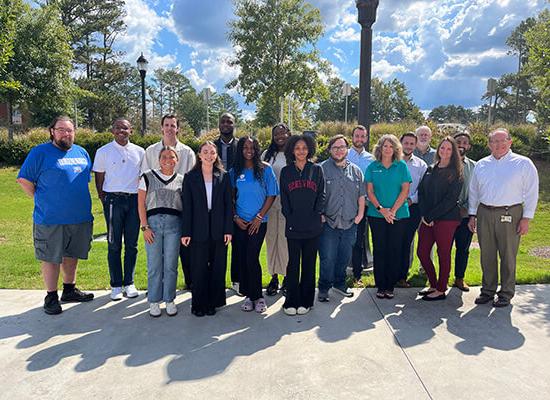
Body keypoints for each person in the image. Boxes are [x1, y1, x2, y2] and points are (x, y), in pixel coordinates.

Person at [17, 116, 94, 315]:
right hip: (50, 218)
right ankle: (51, 295)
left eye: (70, 130)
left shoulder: (81, 152)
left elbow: (83, 181)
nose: (66, 134)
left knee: (72, 254)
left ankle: (69, 289)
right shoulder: (40, 153)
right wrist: (41, 198)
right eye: (61, 130)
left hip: (79, 217)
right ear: (52, 131)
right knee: (51, 256)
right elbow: (24, 179)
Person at [468, 128, 539, 307]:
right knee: (487, 254)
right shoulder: (482, 164)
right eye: (494, 141)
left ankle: (506, 293)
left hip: (511, 212)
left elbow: (532, 192)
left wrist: (526, 218)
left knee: (508, 254)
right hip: (484, 212)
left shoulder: (523, 163)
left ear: (510, 142)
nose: (498, 145)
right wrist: (472, 214)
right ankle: (488, 290)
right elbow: (474, 191)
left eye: (502, 141)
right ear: (489, 144)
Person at [93, 118, 144, 301]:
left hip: (133, 200)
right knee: (114, 243)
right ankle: (116, 285)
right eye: (118, 128)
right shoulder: (103, 151)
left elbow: (142, 177)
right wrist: (103, 197)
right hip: (113, 200)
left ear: (131, 130)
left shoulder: (139, 152)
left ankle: (129, 282)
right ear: (112, 130)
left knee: (132, 244)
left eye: (125, 128)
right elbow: (99, 177)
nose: (122, 131)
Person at [141, 114, 195, 290]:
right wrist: (145, 223)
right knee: (157, 258)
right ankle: (157, 293)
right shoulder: (150, 151)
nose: (170, 128)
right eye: (167, 125)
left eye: (173, 125)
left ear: (178, 128)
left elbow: (192, 181)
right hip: (156, 210)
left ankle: (189, 283)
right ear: (161, 127)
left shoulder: (187, 152)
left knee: (182, 253)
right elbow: (146, 182)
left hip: (179, 209)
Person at [181, 142, 233, 317]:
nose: (209, 155)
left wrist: (228, 230)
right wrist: (186, 232)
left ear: (216, 155)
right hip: (197, 229)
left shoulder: (224, 176)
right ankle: (198, 304)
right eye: (205, 152)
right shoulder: (190, 177)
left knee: (218, 267)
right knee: (199, 267)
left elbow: (228, 205)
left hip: (219, 228)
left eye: (212, 152)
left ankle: (213, 302)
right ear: (199, 155)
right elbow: (187, 207)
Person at [230, 136, 278, 313]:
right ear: (240, 150)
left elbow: (271, 194)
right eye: (245, 147)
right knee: (243, 258)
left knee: (252, 257)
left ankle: (258, 297)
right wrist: (235, 217)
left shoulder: (265, 169)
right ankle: (249, 295)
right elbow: (230, 197)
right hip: (240, 222)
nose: (248, 150)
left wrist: (259, 217)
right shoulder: (234, 171)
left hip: (258, 222)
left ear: (257, 149)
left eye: (252, 147)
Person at [280, 135, 325, 315]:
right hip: (293, 226)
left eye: (304, 148)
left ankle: (306, 301)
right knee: (293, 265)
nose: (301, 151)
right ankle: (291, 300)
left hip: (312, 226)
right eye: (297, 148)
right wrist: (290, 217)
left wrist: (316, 215)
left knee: (309, 264)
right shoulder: (286, 171)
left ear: (309, 150)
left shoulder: (316, 170)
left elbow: (321, 195)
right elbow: (284, 199)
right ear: (292, 150)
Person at [318, 135, 365, 302]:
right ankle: (324, 287)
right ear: (330, 150)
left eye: (342, 147)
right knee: (327, 257)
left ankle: (339, 284)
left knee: (344, 256)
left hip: (350, 222)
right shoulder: (321, 169)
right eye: (335, 147)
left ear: (347, 149)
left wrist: (359, 216)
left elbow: (361, 196)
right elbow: (315, 196)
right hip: (328, 222)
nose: (339, 150)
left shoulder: (356, 171)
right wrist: (321, 216)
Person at [138, 146, 184, 317]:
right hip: (153, 226)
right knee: (154, 265)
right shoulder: (148, 177)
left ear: (176, 160)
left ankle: (170, 299)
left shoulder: (181, 180)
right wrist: (145, 227)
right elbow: (141, 203)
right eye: (164, 156)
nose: (167, 160)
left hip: (174, 227)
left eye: (172, 157)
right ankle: (154, 300)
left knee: (171, 265)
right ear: (159, 159)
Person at [417, 136, 463, 301]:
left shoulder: (456, 172)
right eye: (442, 148)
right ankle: (434, 283)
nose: (445, 151)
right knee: (422, 252)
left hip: (446, 219)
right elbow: (421, 192)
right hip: (427, 219)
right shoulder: (430, 169)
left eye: (449, 149)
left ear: (453, 152)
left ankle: (441, 289)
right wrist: (425, 214)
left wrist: (432, 215)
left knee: (443, 253)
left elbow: (450, 200)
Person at [365, 134, 411, 299]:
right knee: (380, 249)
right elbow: (369, 191)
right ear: (380, 148)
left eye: (391, 146)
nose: (388, 149)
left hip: (398, 215)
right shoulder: (372, 167)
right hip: (376, 215)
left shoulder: (401, 166)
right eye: (385, 146)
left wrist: (392, 210)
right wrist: (381, 210)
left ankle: (390, 286)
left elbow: (405, 190)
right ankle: (381, 285)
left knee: (394, 249)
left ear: (396, 149)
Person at [262, 123, 291, 296]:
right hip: (270, 203)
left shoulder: (294, 153)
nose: (280, 136)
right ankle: (273, 277)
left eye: (283, 132)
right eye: (276, 134)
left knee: (286, 242)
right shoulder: (267, 155)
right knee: (271, 240)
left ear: (289, 134)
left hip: (289, 204)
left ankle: (287, 277)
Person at [214, 113, 240, 293]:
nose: (226, 124)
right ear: (219, 125)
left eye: (229, 122)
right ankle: (217, 283)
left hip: (238, 199)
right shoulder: (211, 147)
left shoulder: (241, 146)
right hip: (216, 200)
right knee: (218, 244)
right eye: (223, 121)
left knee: (238, 243)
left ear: (234, 125)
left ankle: (237, 280)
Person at [398, 132, 428, 288]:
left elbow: (423, 188)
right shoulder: (393, 161)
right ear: (400, 143)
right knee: (392, 241)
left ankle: (402, 276)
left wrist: (410, 199)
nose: (408, 146)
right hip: (393, 208)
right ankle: (389, 273)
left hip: (412, 208)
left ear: (415, 146)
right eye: (406, 143)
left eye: (411, 144)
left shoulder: (421, 165)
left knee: (406, 242)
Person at [346, 125, 375, 284]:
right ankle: (342, 269)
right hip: (345, 204)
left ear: (366, 138)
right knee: (342, 239)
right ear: (352, 137)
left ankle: (357, 273)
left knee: (359, 240)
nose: (359, 139)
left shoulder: (371, 159)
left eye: (362, 136)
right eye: (357, 136)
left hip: (365, 204)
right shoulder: (344, 154)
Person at [452, 131, 477, 291]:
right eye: (458, 141)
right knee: (444, 250)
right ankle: (440, 280)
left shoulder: (475, 166)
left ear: (469, 146)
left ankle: (459, 278)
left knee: (463, 248)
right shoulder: (444, 163)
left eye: (465, 142)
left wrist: (468, 210)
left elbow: (477, 191)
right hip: (446, 216)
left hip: (466, 215)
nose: (461, 144)